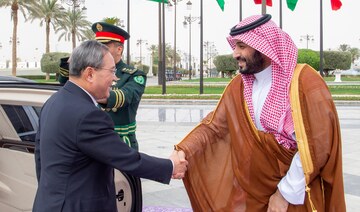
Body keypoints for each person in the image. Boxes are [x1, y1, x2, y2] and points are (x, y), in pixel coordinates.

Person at [174, 14, 345, 211]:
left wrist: (283, 194)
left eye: (241, 46)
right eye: (234, 46)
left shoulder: (304, 82)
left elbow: (316, 147)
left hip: (294, 196)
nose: (235, 54)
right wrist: (182, 151)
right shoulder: (238, 86)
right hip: (253, 194)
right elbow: (214, 127)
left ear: (263, 45)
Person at [33, 40, 187, 212]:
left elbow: (40, 158)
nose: (114, 78)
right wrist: (171, 166)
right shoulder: (87, 114)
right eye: (112, 71)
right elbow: (126, 158)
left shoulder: (53, 101)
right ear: (90, 73)